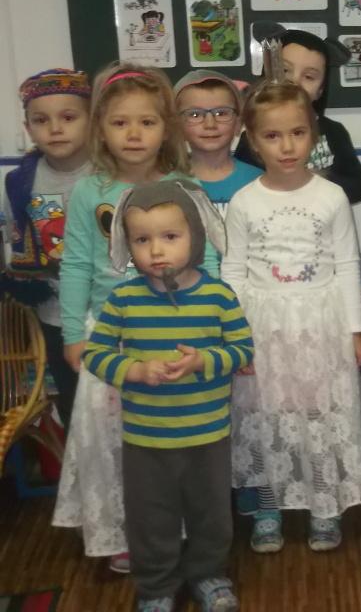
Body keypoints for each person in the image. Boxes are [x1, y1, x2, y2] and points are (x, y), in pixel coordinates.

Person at [53, 64, 217, 572]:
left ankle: (178, 528)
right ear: (100, 128)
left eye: (147, 122)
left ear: (166, 128)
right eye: (120, 122)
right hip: (111, 337)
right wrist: (73, 333)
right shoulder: (89, 191)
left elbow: (208, 260)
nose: (133, 133)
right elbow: (76, 264)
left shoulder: (184, 185)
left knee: (171, 439)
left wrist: (211, 327)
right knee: (115, 442)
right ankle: (124, 533)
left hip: (174, 331)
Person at [84, 181, 253, 612]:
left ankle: (209, 574)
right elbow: (96, 354)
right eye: (142, 240)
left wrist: (203, 361)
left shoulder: (218, 295)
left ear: (195, 236)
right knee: (150, 517)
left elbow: (242, 351)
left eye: (170, 236)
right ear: (127, 244)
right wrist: (135, 370)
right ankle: (156, 587)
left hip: (207, 434)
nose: (156, 250)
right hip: (146, 437)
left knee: (210, 513)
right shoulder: (123, 299)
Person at [223, 67, 361, 554]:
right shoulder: (244, 201)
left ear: (314, 134)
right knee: (267, 415)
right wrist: (233, 332)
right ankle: (268, 508)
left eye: (298, 133)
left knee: (317, 413)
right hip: (263, 327)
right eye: (272, 136)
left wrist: (356, 329)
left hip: (320, 324)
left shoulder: (331, 196)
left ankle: (324, 506)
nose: (287, 146)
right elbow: (234, 270)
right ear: (253, 141)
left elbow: (347, 264)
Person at [2, 69, 92, 428]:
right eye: (41, 120)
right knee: (75, 408)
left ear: (92, 120)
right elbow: (18, 234)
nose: (55, 129)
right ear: (28, 127)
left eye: (68, 117)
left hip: (114, 310)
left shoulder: (110, 171)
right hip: (57, 316)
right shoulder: (22, 182)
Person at [234, 24, 361, 205]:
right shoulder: (252, 137)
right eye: (285, 70)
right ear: (266, 76)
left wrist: (312, 181)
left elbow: (360, 186)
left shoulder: (334, 131)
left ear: (320, 90)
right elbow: (241, 186)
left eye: (309, 76)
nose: (295, 82)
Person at [174, 70, 261, 219]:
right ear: (177, 125)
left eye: (221, 113)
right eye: (195, 114)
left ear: (238, 123)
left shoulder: (258, 181)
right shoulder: (168, 182)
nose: (210, 124)